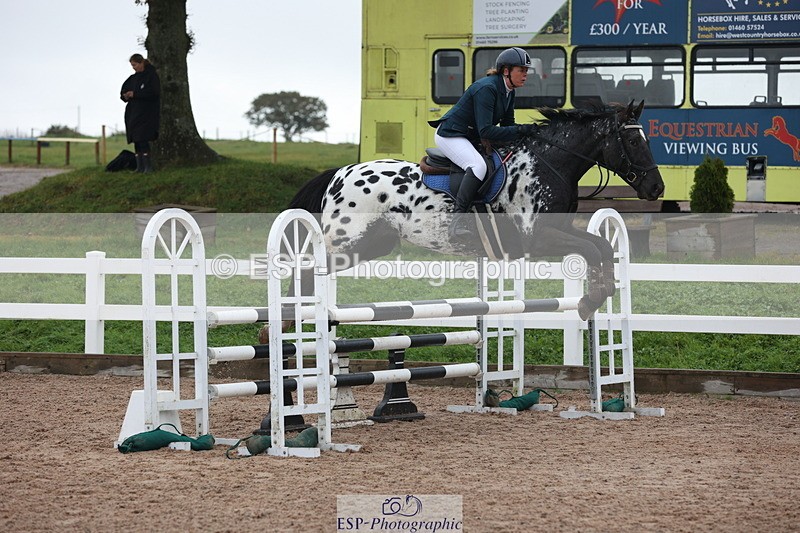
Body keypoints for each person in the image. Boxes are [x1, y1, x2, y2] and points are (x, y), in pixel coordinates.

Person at [429, 47, 536, 239]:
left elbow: (508, 126)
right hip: (451, 135)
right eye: (521, 70)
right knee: (478, 166)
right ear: (506, 71)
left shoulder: (509, 91)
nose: (525, 74)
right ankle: (456, 222)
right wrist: (521, 130)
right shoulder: (488, 88)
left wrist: (527, 134)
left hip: (469, 136)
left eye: (526, 70)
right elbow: (486, 131)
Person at [120, 53, 160, 173]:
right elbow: (123, 90)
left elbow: (154, 93)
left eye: (135, 65)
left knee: (143, 139)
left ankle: (148, 167)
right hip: (133, 114)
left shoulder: (151, 76)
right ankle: (140, 167)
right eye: (132, 66)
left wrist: (136, 94)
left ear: (141, 62)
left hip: (147, 113)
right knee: (136, 140)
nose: (134, 68)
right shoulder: (132, 78)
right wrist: (125, 95)